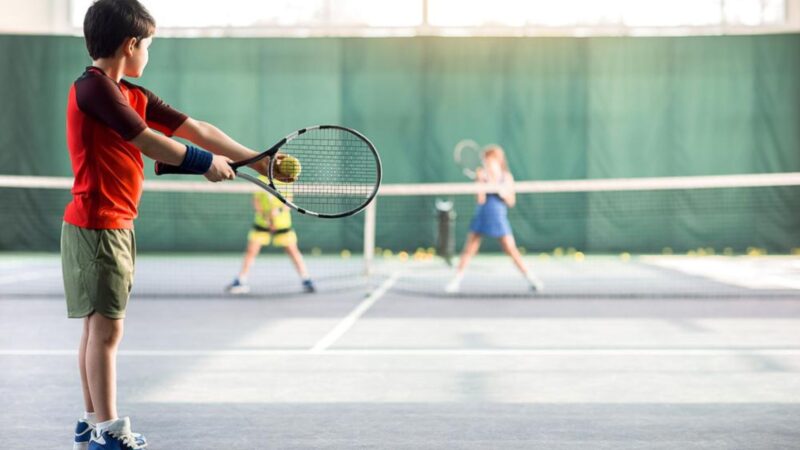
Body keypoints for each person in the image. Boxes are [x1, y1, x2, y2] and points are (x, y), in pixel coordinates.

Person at [62, 1, 275, 448]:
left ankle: (89, 422)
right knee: (106, 330)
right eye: (150, 45)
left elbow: (194, 128)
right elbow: (148, 141)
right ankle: (107, 430)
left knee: (96, 328)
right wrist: (204, 165)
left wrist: (255, 159)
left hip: (111, 224)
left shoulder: (130, 94)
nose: (149, 54)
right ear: (131, 43)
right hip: (99, 225)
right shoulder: (94, 89)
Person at [445, 145, 544, 293]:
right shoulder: (481, 176)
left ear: (498, 161)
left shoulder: (507, 177)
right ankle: (456, 281)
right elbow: (480, 199)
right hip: (482, 216)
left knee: (511, 250)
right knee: (469, 250)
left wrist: (500, 190)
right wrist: (481, 183)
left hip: (498, 218)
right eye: (485, 160)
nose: (487, 163)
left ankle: (531, 279)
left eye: (490, 160)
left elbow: (511, 202)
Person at [227, 177, 316, 294]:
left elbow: (289, 201)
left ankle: (306, 279)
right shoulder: (259, 179)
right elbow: (256, 201)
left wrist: (277, 212)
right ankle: (240, 280)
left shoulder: (285, 180)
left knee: (293, 251)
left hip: (282, 224)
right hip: (263, 223)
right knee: (251, 251)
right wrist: (266, 218)